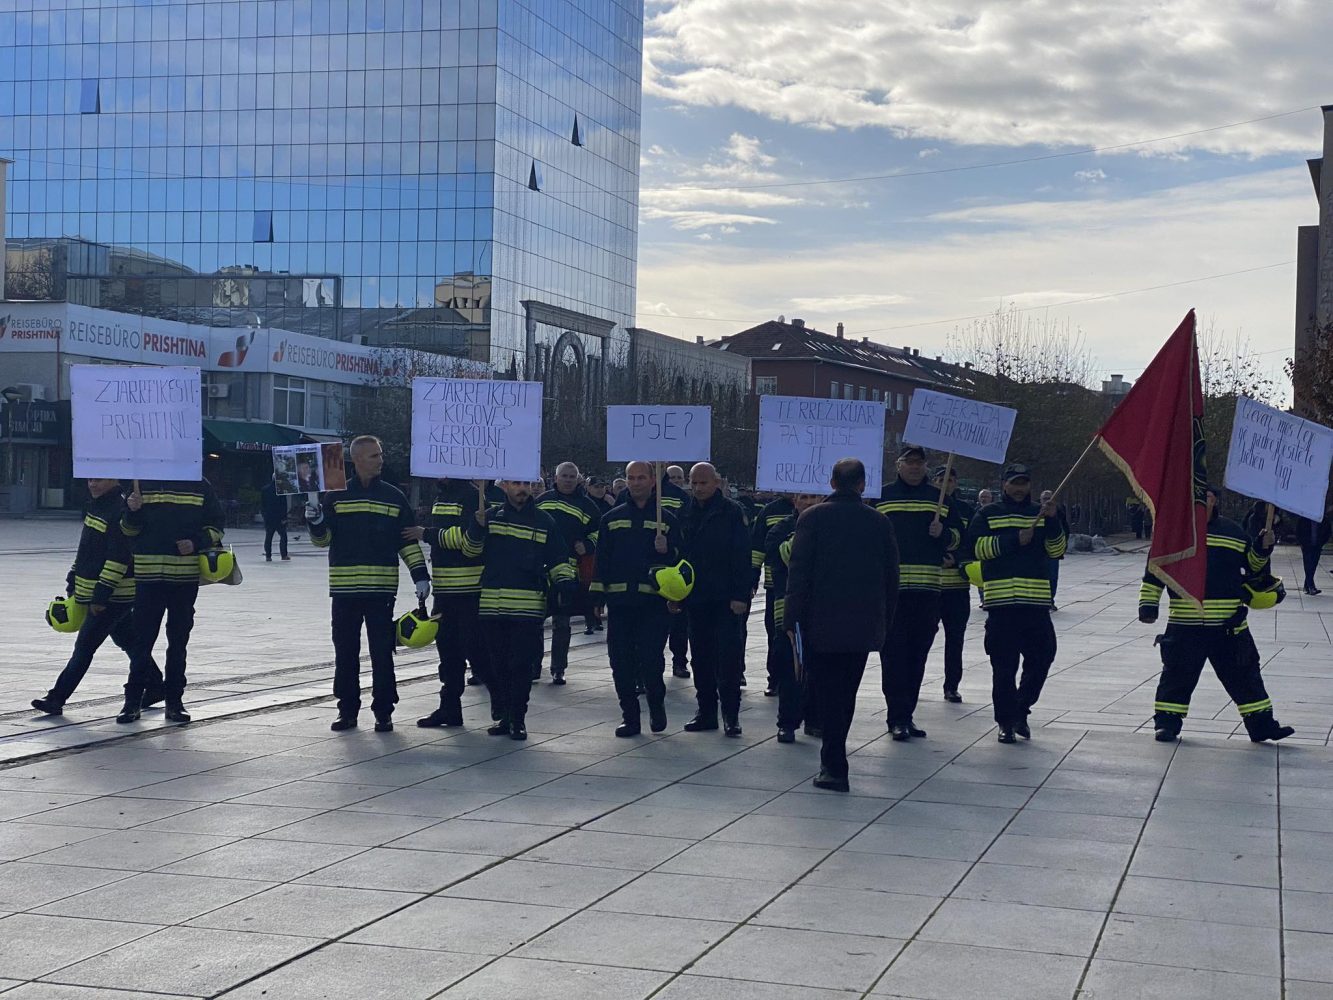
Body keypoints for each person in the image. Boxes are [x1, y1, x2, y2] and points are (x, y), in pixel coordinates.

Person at [1140, 486, 1294, 743]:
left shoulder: (1234, 532)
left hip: (1228, 625)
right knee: (1176, 676)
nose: (1201, 500)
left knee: (1246, 676)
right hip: (1185, 624)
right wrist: (1148, 606)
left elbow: (1253, 566)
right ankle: (1166, 724)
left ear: (1215, 502)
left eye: (1207, 496)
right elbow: (1154, 572)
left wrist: (1263, 547)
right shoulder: (1174, 532)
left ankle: (1262, 726)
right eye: (1196, 496)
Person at [786, 459, 899, 792]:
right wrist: (885, 621)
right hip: (862, 624)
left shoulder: (812, 518)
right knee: (845, 693)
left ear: (832, 482)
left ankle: (833, 765)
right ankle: (834, 760)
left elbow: (799, 573)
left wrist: (791, 619)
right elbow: (892, 578)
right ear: (862, 485)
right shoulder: (880, 523)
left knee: (826, 691)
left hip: (820, 622)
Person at [307, 436, 429, 733]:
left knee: (382, 652)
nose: (380, 459)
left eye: (380, 454)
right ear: (357, 460)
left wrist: (420, 575)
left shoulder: (393, 496)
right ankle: (347, 711)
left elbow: (407, 541)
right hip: (345, 591)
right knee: (345, 653)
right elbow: (322, 542)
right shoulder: (334, 496)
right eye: (374, 455)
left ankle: (383, 711)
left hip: (380, 590)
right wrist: (315, 521)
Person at [32, 479, 163, 716]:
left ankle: (56, 698)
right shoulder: (98, 506)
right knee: (130, 641)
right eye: (90, 478)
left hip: (112, 596)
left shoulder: (118, 510)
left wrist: (101, 596)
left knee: (84, 647)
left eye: (99, 479)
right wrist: (73, 577)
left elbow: (119, 558)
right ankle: (155, 685)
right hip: (97, 592)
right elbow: (88, 549)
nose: (93, 484)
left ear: (113, 479)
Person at [463, 478, 577, 740]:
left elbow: (559, 557)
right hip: (493, 606)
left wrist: (565, 582)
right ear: (505, 486)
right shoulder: (488, 516)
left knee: (521, 666)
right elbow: (470, 551)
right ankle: (504, 714)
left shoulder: (544, 520)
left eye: (526, 483)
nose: (522, 488)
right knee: (496, 664)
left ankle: (517, 719)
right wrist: (477, 528)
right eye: (516, 483)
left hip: (528, 608)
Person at [970, 465, 1066, 743]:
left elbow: (1057, 550)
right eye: (1014, 483)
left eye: (1024, 483)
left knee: (1043, 657)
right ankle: (1005, 722)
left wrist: (1054, 520)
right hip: (1001, 606)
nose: (1019, 488)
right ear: (1004, 485)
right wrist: (1013, 540)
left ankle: (1021, 708)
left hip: (1035, 605)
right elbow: (976, 549)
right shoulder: (988, 513)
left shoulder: (1041, 513)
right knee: (1003, 668)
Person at [117, 475, 225, 724]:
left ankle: (174, 702)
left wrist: (196, 542)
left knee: (178, 643)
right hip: (148, 577)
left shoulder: (200, 484)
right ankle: (132, 702)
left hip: (184, 578)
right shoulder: (139, 483)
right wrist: (132, 510)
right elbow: (127, 529)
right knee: (142, 643)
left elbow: (217, 524)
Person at [875, 445, 963, 740]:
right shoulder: (882, 496)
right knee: (894, 656)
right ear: (898, 465)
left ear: (926, 466)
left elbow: (959, 539)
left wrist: (945, 535)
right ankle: (895, 716)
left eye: (919, 463)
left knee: (917, 656)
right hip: (892, 592)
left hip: (927, 592)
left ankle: (907, 714)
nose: (914, 467)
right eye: (908, 462)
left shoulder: (939, 499)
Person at [592, 461, 681, 736]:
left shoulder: (666, 519)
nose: (636, 482)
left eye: (641, 477)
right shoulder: (612, 518)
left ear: (652, 481)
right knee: (620, 662)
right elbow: (602, 559)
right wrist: (596, 595)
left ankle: (656, 705)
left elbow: (681, 561)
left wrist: (668, 550)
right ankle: (630, 717)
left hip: (653, 604)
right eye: (631, 477)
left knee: (651, 660)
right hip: (620, 603)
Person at [679, 462, 751, 736]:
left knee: (728, 659)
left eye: (703, 483)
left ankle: (731, 716)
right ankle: (706, 712)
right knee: (701, 657)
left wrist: (740, 595)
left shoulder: (732, 512)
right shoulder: (684, 511)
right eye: (693, 483)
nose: (697, 488)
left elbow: (741, 555)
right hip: (696, 598)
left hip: (725, 598)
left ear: (717, 483)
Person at [411, 478, 490, 728]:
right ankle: (449, 709)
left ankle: (506, 707)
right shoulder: (441, 497)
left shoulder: (471, 496)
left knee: (479, 654)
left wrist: (427, 534)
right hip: (444, 592)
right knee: (448, 655)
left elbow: (469, 540)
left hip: (469, 591)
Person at [535, 462, 602, 683]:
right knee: (533, 621)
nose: (568, 479)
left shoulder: (588, 506)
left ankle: (558, 668)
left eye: (572, 476)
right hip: (539, 570)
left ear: (578, 479)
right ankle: (533, 665)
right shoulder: (542, 501)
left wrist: (588, 545)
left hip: (568, 571)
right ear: (556, 478)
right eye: (564, 475)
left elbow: (599, 534)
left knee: (562, 622)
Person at [764, 491, 823, 741]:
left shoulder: (830, 528)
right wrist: (805, 529)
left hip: (822, 609)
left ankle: (815, 720)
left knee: (819, 668)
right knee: (790, 668)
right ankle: (787, 723)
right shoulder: (780, 529)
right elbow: (787, 558)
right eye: (804, 497)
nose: (808, 502)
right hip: (788, 610)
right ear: (795, 501)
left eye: (814, 498)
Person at [932, 466, 972, 703]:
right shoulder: (927, 506)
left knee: (955, 639)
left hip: (956, 586)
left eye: (949, 479)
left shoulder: (965, 510)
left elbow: (971, 542)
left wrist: (956, 560)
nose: (943, 483)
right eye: (938, 479)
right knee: (921, 638)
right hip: (930, 584)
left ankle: (951, 685)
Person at [751, 493, 795, 698]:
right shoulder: (769, 512)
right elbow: (758, 549)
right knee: (776, 637)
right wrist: (751, 580)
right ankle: (774, 678)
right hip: (775, 587)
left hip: (814, 592)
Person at [658, 467, 693, 678]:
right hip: (646, 568)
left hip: (673, 566)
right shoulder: (631, 495)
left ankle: (679, 661)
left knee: (678, 621)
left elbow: (686, 529)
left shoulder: (681, 497)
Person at [1040, 489, 1071, 610]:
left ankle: (1050, 600)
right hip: (1038, 552)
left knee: (1052, 577)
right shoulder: (1035, 512)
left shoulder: (1059, 513)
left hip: (1053, 552)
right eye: (1045, 499)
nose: (1047, 501)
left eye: (1049, 498)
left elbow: (1065, 530)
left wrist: (1062, 546)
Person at [1297, 509, 1331, 595]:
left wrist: (1322, 542)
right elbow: (1298, 531)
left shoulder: (1323, 520)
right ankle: (1311, 587)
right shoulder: (1304, 519)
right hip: (1307, 545)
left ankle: (1306, 586)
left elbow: (1328, 532)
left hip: (1317, 545)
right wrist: (1301, 542)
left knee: (1313, 566)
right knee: (1308, 565)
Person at [260, 476, 290, 562]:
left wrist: (264, 515)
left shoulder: (265, 489)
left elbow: (262, 504)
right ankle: (284, 555)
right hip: (279, 517)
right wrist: (284, 517)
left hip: (269, 517)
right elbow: (284, 505)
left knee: (269, 537)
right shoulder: (281, 490)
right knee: (283, 536)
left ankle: (268, 556)